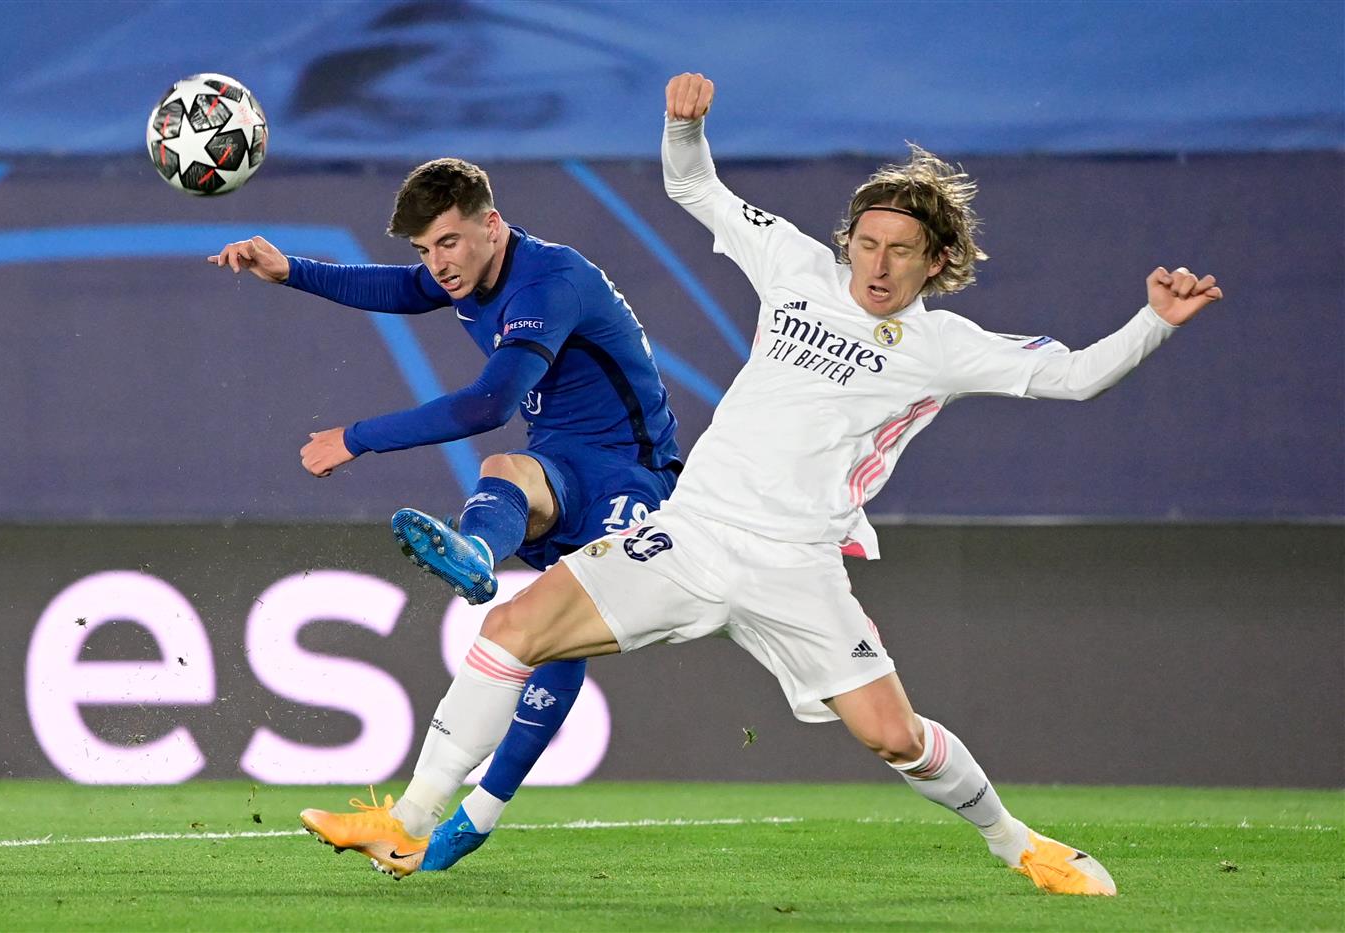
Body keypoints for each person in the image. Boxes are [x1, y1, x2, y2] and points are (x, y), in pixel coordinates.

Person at [298, 73, 1222, 893]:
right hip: (692, 530)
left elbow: (1075, 374)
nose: (878, 263)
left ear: (937, 262)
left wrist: (1155, 321)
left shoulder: (948, 346)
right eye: (867, 242)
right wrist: (683, 126)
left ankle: (1018, 843)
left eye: (902, 250)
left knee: (892, 737)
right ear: (847, 241)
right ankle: (411, 816)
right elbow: (693, 185)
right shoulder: (795, 266)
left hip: (795, 564)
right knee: (510, 627)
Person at [208, 157, 684, 870]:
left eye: (450, 243)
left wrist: (356, 438)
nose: (439, 265)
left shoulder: (549, 284)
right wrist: (291, 271)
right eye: (426, 249)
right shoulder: (465, 269)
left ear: (492, 225)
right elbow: (402, 287)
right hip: (559, 462)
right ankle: (475, 563)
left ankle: (462, 804)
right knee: (516, 523)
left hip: (634, 477)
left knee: (554, 627)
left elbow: (488, 405)